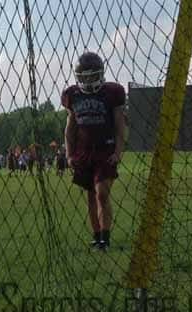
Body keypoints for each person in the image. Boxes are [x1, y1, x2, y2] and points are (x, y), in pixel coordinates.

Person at [62, 52, 126, 251]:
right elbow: (70, 128)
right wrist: (69, 154)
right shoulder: (73, 95)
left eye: (92, 75)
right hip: (84, 152)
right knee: (91, 195)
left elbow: (119, 126)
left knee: (101, 193)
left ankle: (105, 239)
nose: (89, 80)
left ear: (100, 74)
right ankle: (97, 236)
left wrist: (118, 152)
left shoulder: (112, 92)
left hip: (105, 150)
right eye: (85, 76)